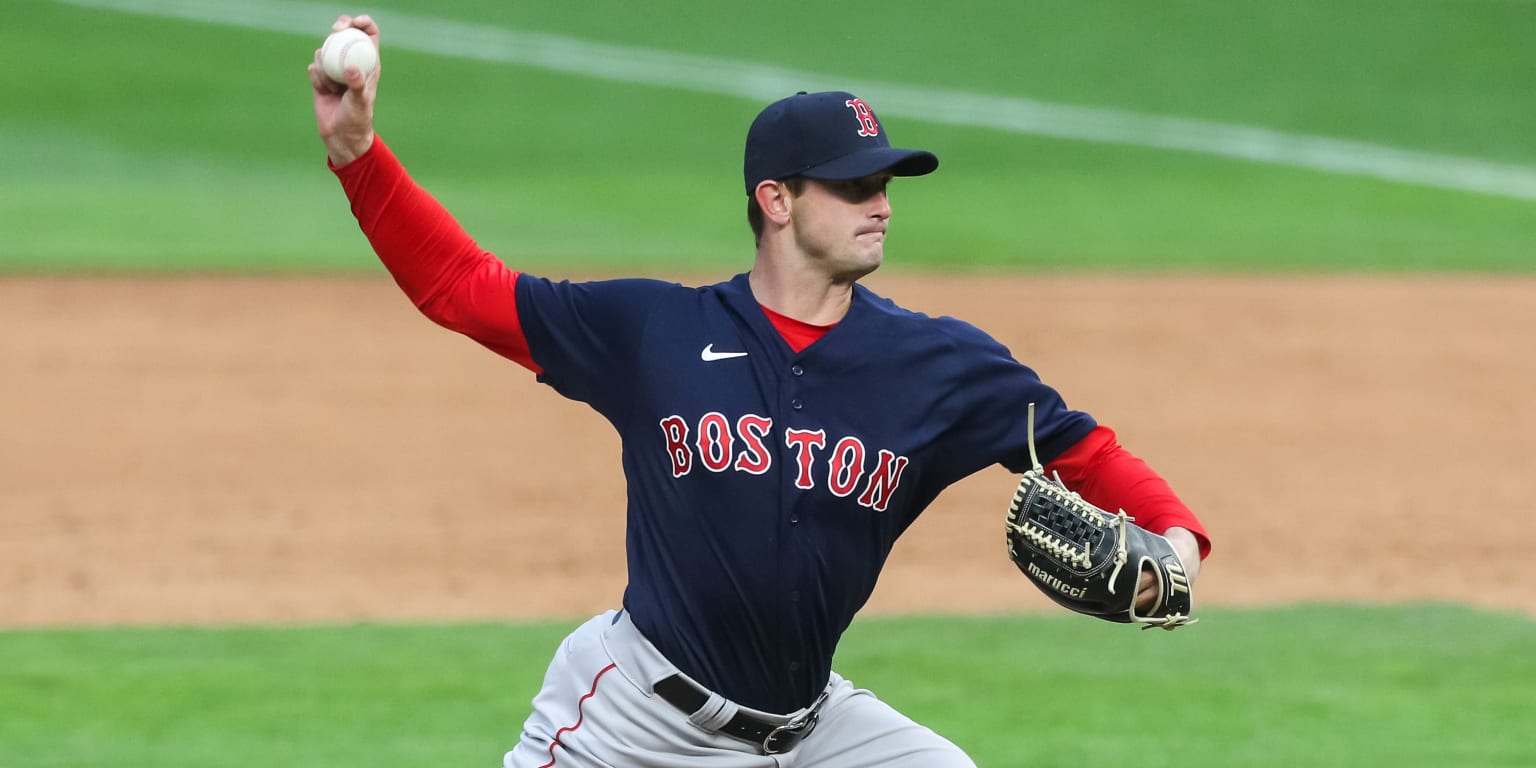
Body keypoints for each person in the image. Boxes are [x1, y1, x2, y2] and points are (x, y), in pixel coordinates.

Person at [310, 15, 1210, 768]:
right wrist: (357, 153)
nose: (883, 202)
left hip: (812, 732)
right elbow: (461, 288)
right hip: (633, 724)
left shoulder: (939, 366)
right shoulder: (653, 332)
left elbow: (1083, 450)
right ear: (776, 200)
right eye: (856, 183)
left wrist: (1177, 542)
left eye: (888, 182)